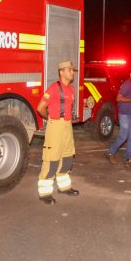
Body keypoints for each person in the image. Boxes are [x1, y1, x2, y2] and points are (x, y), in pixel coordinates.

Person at [36, 60, 80, 205]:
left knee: (67, 158)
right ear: (61, 72)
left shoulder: (71, 89)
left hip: (67, 126)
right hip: (55, 126)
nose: (72, 73)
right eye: (69, 70)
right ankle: (45, 193)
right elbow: (40, 108)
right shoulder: (54, 88)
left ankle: (64, 187)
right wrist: (50, 118)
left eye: (72, 70)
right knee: (51, 160)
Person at [106, 68, 131, 167]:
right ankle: (110, 153)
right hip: (125, 114)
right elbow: (118, 98)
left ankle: (129, 159)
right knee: (123, 136)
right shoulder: (127, 84)